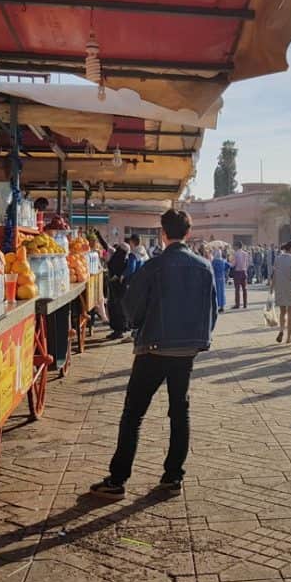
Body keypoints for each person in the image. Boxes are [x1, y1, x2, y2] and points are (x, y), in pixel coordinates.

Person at [91, 210, 217, 500]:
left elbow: (131, 306)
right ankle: (173, 477)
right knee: (179, 412)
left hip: (153, 348)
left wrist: (137, 325)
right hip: (186, 350)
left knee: (133, 414)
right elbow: (212, 308)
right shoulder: (204, 267)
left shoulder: (154, 266)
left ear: (163, 232)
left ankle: (118, 480)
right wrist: (199, 340)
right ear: (188, 233)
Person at [105, 243, 131, 339]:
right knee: (117, 308)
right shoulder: (123, 257)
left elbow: (117, 272)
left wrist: (114, 277)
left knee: (117, 309)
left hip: (117, 288)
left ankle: (118, 331)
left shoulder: (120, 258)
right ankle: (120, 329)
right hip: (118, 288)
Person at [209, 248, 232, 312]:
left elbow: (211, 269)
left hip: (216, 278)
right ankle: (222, 306)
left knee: (216, 292)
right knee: (222, 292)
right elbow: (229, 265)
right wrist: (224, 270)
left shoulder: (214, 261)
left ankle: (216, 306)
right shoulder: (223, 261)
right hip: (222, 278)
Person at [231, 242, 250, 309]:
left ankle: (237, 304)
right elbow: (247, 263)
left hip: (237, 272)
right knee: (244, 289)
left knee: (237, 289)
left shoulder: (235, 253)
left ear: (237, 246)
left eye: (234, 246)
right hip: (244, 272)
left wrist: (230, 264)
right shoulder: (245, 253)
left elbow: (233, 264)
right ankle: (245, 304)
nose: (233, 247)